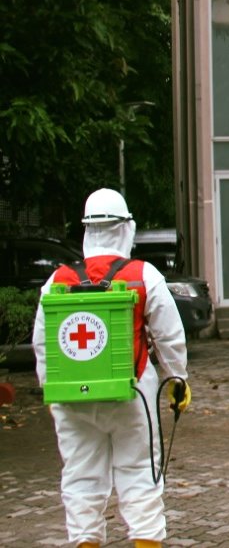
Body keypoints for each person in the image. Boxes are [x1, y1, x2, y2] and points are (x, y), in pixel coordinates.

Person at [32, 188, 189, 548]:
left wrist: (49, 389)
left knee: (81, 479)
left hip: (71, 397)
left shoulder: (57, 280)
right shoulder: (144, 275)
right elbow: (169, 336)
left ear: (86, 229)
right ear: (126, 228)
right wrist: (177, 379)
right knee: (140, 473)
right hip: (131, 394)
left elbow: (43, 342)